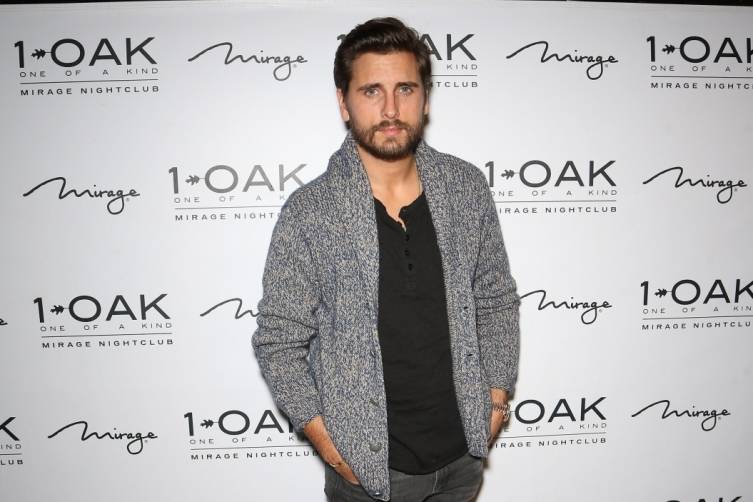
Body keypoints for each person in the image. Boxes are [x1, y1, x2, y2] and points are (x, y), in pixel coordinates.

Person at [252, 17, 520, 502]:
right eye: (372, 91)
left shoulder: (465, 188)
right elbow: (278, 341)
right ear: (344, 102)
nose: (391, 109)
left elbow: (496, 299)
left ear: (425, 98)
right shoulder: (311, 212)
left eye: (405, 89)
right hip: (369, 474)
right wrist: (332, 447)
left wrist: (496, 399)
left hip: (463, 461)